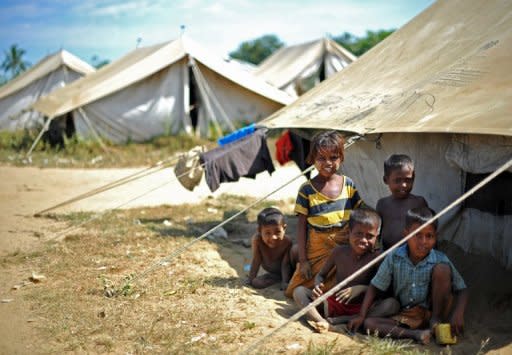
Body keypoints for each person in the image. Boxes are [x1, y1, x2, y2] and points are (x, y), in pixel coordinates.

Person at [348, 207, 468, 345]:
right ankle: (416, 334)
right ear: (406, 234)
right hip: (406, 314)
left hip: (433, 312)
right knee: (370, 323)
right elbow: (375, 286)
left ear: (436, 236)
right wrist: (362, 315)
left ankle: (435, 321)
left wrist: (458, 314)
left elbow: (462, 289)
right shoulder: (395, 256)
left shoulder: (439, 258)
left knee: (442, 269)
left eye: (429, 236)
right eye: (417, 235)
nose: (423, 241)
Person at [285, 130, 364, 298]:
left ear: (341, 157)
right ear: (312, 160)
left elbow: (359, 213)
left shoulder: (348, 184)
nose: (328, 163)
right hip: (317, 248)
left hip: (342, 247)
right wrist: (304, 260)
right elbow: (301, 227)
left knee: (340, 287)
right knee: (297, 288)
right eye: (321, 158)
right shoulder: (306, 189)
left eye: (333, 157)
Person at [293, 209, 399, 333]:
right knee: (299, 292)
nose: (363, 240)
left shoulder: (377, 258)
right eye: (358, 234)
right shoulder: (339, 253)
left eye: (369, 236)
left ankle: (343, 320)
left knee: (393, 304)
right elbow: (321, 275)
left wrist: (361, 289)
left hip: (363, 307)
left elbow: (384, 290)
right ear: (349, 232)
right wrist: (318, 285)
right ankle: (320, 321)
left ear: (377, 236)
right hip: (336, 303)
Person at [376, 154, 428, 250]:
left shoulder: (419, 202)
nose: (403, 185)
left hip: (414, 253)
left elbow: (429, 229)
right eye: (397, 180)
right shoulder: (382, 204)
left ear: (413, 178)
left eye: (408, 180)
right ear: (386, 180)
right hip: (389, 253)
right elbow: (377, 233)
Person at [246, 207, 296, 290]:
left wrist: (285, 282)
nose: (273, 237)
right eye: (267, 233)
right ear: (259, 231)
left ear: (284, 228)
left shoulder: (287, 242)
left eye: (278, 232)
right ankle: (277, 279)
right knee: (256, 283)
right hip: (273, 274)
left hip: (288, 271)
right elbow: (256, 260)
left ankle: (285, 279)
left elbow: (285, 264)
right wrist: (251, 278)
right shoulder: (257, 240)